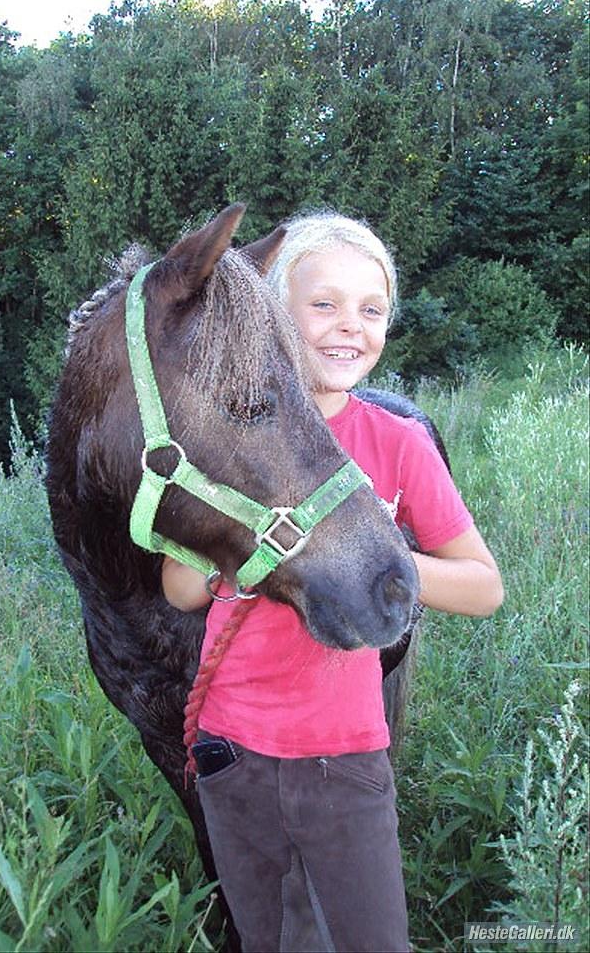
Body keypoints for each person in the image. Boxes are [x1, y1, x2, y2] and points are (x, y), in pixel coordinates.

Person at [162, 212, 504, 952]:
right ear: (273, 313)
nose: (350, 326)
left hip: (342, 757)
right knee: (271, 939)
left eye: (371, 309)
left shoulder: (397, 443)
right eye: (323, 304)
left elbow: (483, 588)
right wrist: (245, 541)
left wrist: (366, 551)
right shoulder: (225, 437)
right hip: (229, 749)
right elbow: (181, 592)